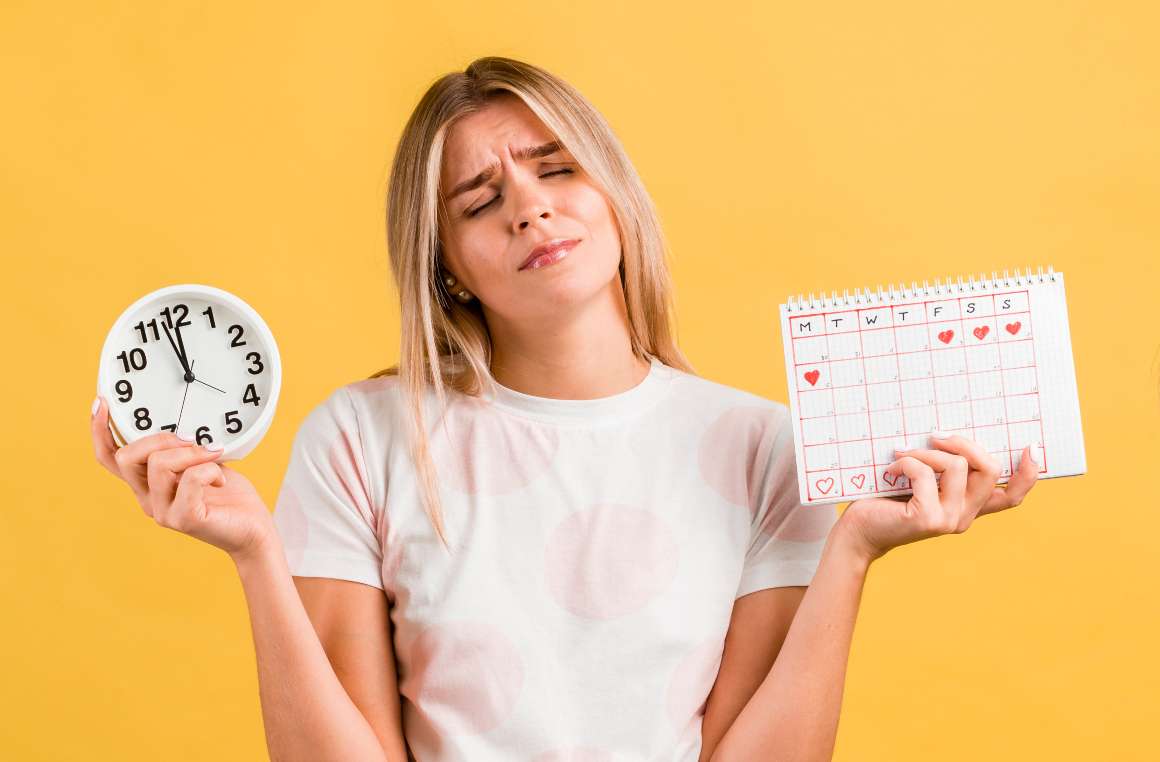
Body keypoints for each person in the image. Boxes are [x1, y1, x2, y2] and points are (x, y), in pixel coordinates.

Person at [89, 56, 1041, 762]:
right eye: (479, 199)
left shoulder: (761, 448)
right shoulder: (361, 438)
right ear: (445, 269)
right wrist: (256, 554)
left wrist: (854, 550)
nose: (531, 209)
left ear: (613, 193)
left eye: (557, 169)